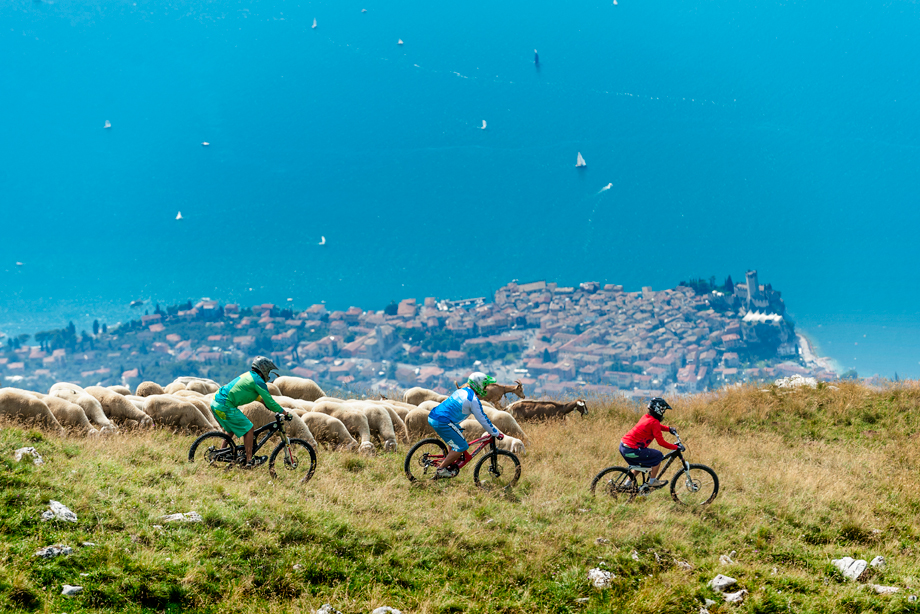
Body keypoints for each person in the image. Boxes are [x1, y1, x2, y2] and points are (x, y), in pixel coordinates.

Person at [210, 356, 290, 468]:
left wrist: (264, 404)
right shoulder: (258, 381)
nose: (269, 374)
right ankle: (249, 461)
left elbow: (254, 396)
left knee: (231, 430)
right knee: (249, 428)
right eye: (268, 371)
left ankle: (220, 453)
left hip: (216, 402)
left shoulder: (249, 376)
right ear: (264, 370)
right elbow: (271, 402)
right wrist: (284, 412)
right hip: (224, 405)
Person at [427, 371, 504, 478]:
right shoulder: (473, 400)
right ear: (480, 386)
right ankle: (441, 469)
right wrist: (495, 432)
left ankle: (450, 462)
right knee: (462, 446)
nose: (486, 389)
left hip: (434, 416)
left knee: (457, 433)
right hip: (443, 421)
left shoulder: (462, 390)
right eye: (485, 386)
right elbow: (483, 419)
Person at [619, 397, 683, 489]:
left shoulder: (646, 417)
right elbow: (661, 442)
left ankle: (626, 485)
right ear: (659, 410)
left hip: (624, 446)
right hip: (631, 450)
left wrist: (668, 429)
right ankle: (653, 481)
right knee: (658, 456)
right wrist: (676, 448)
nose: (664, 413)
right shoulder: (654, 422)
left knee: (643, 464)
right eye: (663, 410)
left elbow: (656, 426)